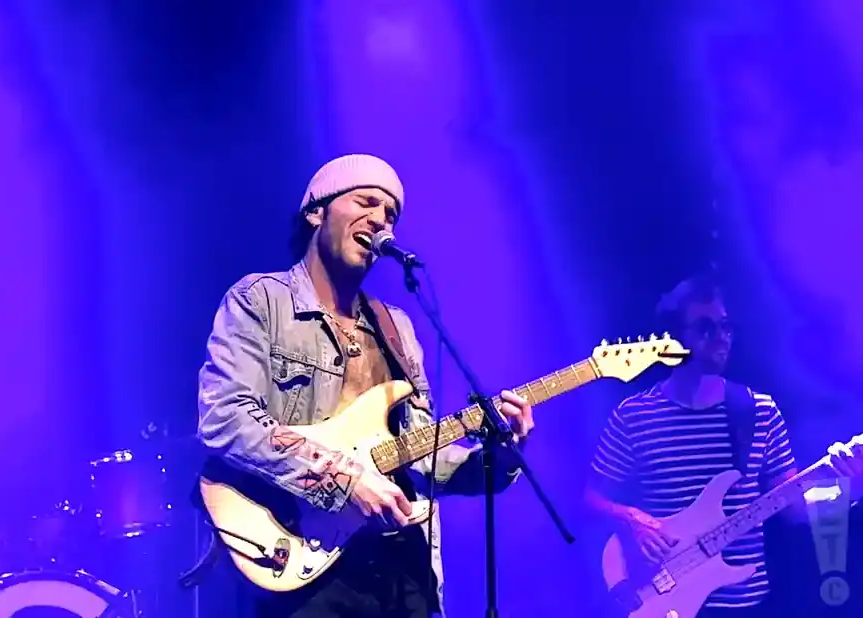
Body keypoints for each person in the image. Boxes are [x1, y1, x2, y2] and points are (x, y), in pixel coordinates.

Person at [196, 154, 535, 618]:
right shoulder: (261, 300)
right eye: (366, 202)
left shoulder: (396, 327)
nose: (380, 219)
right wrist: (346, 480)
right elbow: (225, 417)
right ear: (317, 210)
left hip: (402, 567)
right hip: (306, 558)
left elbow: (424, 457)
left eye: (391, 213)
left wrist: (500, 450)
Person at [584, 274, 863, 617]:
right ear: (673, 339)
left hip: (747, 605)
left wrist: (851, 487)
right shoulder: (633, 416)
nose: (721, 339)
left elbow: (792, 507)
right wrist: (631, 520)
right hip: (661, 600)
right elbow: (590, 499)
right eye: (705, 328)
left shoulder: (759, 411)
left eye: (726, 327)